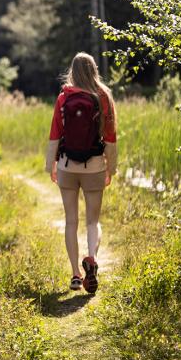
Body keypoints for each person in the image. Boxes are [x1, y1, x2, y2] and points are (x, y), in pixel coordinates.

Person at [44, 52, 117, 294]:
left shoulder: (64, 96)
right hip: (95, 164)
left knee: (71, 221)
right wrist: (111, 168)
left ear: (73, 71)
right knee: (93, 221)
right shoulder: (103, 96)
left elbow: (55, 133)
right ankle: (92, 259)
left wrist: (50, 165)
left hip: (66, 165)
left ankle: (76, 275)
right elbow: (110, 138)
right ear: (94, 69)